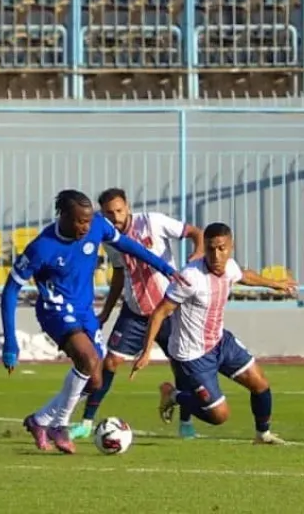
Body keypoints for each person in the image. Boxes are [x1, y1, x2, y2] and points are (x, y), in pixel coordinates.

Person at [0, 189, 188, 454]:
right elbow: (10, 291)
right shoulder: (41, 247)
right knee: (87, 361)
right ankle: (59, 426)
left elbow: (129, 245)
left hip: (85, 312)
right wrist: (10, 341)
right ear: (63, 215)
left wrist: (165, 268)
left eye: (88, 221)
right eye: (79, 221)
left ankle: (39, 420)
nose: (85, 226)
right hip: (55, 311)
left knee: (96, 381)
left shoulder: (97, 225)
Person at [131, 222, 297, 445]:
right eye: (210, 249)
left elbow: (243, 275)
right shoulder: (190, 278)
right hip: (192, 356)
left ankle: (262, 434)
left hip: (220, 342)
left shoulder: (229, 267)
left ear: (231, 247)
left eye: (222, 248)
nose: (216, 255)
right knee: (219, 416)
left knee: (260, 384)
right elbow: (160, 313)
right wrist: (146, 351)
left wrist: (274, 284)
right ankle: (172, 394)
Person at [69, 188, 205, 441]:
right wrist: (107, 311)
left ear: (128, 206)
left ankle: (185, 422)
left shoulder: (153, 221)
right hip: (136, 312)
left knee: (183, 367)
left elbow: (195, 232)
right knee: (110, 363)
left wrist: (197, 251)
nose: (116, 217)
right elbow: (120, 274)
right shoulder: (109, 238)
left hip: (168, 310)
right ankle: (87, 422)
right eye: (109, 213)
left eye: (119, 210)